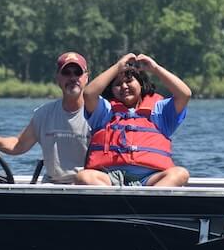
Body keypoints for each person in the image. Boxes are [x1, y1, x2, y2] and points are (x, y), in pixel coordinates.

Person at [0, 51, 92, 183]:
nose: (72, 78)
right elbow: (18, 144)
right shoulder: (44, 114)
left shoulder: (100, 113)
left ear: (86, 77)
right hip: (51, 187)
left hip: (85, 188)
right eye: (66, 73)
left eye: (77, 72)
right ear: (58, 77)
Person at [75, 53, 192, 187]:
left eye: (129, 81)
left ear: (141, 84)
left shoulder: (159, 111)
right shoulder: (105, 110)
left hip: (150, 179)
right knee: (83, 176)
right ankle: (115, 203)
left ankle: (145, 203)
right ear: (111, 90)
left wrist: (155, 69)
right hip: (110, 178)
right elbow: (89, 93)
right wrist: (118, 67)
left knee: (180, 173)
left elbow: (185, 94)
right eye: (118, 84)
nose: (124, 86)